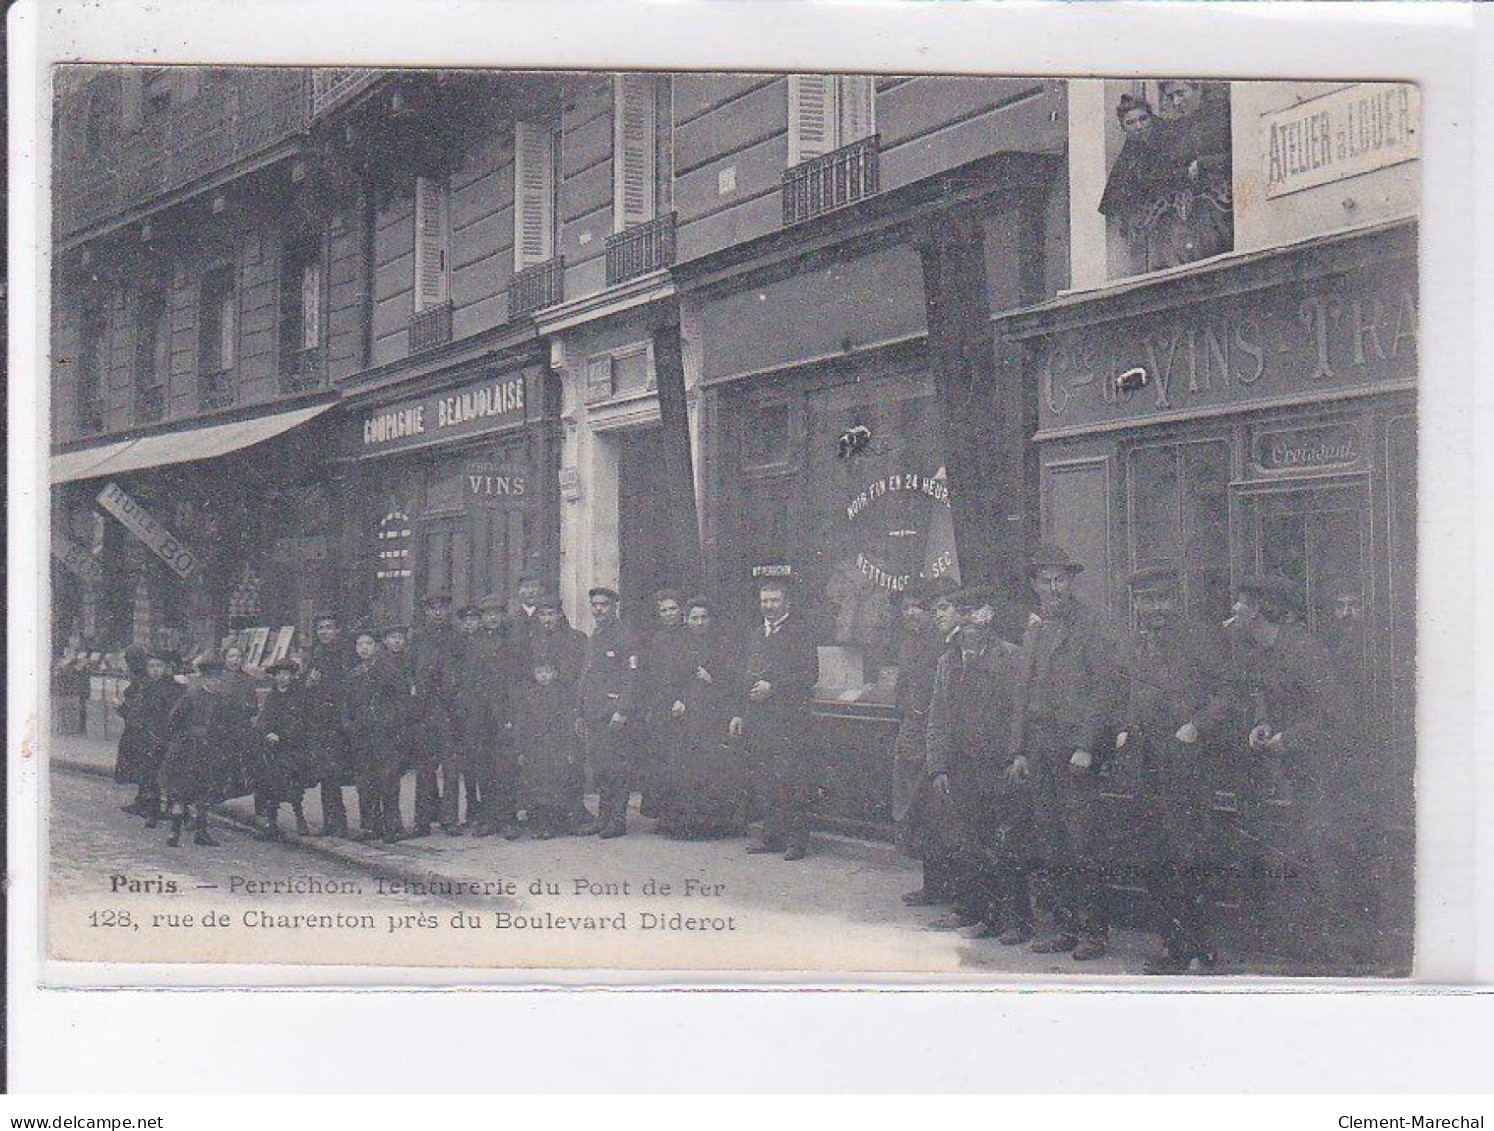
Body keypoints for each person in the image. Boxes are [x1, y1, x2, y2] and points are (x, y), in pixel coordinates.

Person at [1227, 574, 1371, 964]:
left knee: (1324, 855)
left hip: (1327, 773)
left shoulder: (1305, 650)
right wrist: (1263, 724)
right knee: (1301, 855)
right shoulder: (1262, 650)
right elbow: (1266, 697)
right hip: (1295, 773)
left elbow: (1340, 715)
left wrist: (1288, 739)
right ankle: (1309, 951)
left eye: (1239, 604)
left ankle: (1340, 956)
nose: (1234, 612)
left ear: (1258, 610)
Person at [1114, 566, 1235, 974]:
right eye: (1146, 601)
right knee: (1155, 857)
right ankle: (1173, 945)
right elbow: (1132, 691)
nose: (1154, 609)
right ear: (1135, 605)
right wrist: (1126, 728)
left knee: (1190, 857)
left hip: (1187, 765)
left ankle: (1200, 947)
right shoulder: (1134, 643)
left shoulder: (1199, 638)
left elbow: (1227, 694)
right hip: (1145, 765)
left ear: (1175, 600)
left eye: (1162, 599)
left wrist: (1195, 726)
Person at [1006, 544, 1124, 961]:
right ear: (1035, 586)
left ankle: (1093, 932)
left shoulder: (1091, 625)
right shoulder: (1035, 628)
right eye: (1045, 581)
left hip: (1075, 753)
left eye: (1061, 580)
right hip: (1040, 750)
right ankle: (1062, 927)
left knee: (1083, 842)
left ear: (1071, 583)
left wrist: (1087, 746)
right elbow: (1024, 691)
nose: (1053, 588)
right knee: (1050, 841)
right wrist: (1018, 749)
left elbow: (1104, 689)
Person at [923, 586, 1029, 941]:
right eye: (963, 625)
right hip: (962, 767)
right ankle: (980, 914)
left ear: (987, 624)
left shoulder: (1011, 657)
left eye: (975, 625)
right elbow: (938, 717)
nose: (969, 633)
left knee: (1006, 845)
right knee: (971, 842)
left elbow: (1020, 712)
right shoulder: (947, 661)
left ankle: (1014, 920)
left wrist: (1017, 754)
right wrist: (937, 766)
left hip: (999, 764)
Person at [732, 571, 818, 861]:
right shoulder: (756, 633)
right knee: (766, 779)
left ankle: (796, 841)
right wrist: (743, 708)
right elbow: (746, 672)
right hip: (759, 719)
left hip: (790, 720)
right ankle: (772, 836)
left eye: (774, 600)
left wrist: (774, 687)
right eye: (764, 600)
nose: (768, 606)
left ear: (786, 601)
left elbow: (809, 674)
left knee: (793, 780)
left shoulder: (801, 632)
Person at [890, 580, 956, 906]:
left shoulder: (945, 646)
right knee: (922, 813)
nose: (912, 614)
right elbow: (904, 687)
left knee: (943, 814)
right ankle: (933, 885)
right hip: (913, 733)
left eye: (921, 607)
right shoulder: (911, 642)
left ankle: (953, 889)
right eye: (908, 608)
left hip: (937, 736)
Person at [657, 595, 742, 839]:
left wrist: (712, 678)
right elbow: (667, 678)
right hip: (684, 715)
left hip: (713, 714)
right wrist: (674, 699)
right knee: (683, 768)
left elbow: (735, 679)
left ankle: (710, 826)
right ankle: (683, 825)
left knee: (710, 768)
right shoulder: (678, 644)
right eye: (694, 618)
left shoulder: (723, 644)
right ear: (686, 619)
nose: (699, 622)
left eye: (704, 617)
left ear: (711, 620)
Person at [159, 657, 255, 848]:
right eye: (212, 679)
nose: (216, 683)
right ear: (204, 679)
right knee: (181, 791)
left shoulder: (221, 701)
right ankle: (174, 832)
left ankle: (200, 832)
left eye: (219, 680)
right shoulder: (192, 696)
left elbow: (228, 725)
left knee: (205, 791)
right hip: (189, 750)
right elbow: (174, 719)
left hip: (209, 750)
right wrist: (184, 737)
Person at [513, 593, 587, 838]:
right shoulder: (530, 641)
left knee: (568, 763)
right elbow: (523, 674)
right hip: (538, 710)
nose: (547, 619)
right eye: (543, 614)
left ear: (560, 615)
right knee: (541, 770)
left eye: (551, 614)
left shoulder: (576, 639)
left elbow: (582, 675)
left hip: (566, 707)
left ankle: (573, 815)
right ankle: (542, 818)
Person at [578, 586, 641, 838]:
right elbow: (588, 676)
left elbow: (632, 676)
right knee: (601, 768)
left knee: (617, 768)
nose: (598, 609)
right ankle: (602, 818)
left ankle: (617, 820)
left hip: (613, 713)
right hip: (595, 711)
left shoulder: (625, 635)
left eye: (603, 605)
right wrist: (581, 710)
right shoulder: (596, 635)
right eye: (594, 605)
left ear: (614, 606)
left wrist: (622, 709)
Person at [468, 592, 521, 838]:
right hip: (480, 713)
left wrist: (512, 711)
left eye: (495, 613)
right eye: (487, 614)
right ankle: (488, 817)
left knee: (506, 766)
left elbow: (518, 679)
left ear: (502, 615)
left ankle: (508, 818)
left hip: (505, 711)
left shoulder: (513, 640)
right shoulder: (473, 641)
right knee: (483, 765)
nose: (491, 618)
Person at [303, 612, 355, 838]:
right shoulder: (316, 654)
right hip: (320, 721)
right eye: (320, 628)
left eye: (328, 627)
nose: (324, 632)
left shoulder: (345, 654)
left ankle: (340, 822)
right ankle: (330, 821)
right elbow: (306, 686)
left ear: (337, 630)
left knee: (336, 772)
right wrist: (309, 683)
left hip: (339, 721)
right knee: (326, 774)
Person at [641, 587, 690, 823]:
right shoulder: (656, 639)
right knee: (660, 761)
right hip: (660, 704)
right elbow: (649, 674)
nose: (669, 614)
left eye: (672, 609)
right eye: (663, 610)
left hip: (683, 705)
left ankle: (680, 817)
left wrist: (684, 698)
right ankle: (664, 816)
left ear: (681, 610)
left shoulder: (691, 635)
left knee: (680, 762)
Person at [411, 592, 457, 836]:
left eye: (442, 608)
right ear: (426, 611)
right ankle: (423, 819)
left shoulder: (456, 637)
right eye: (433, 608)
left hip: (449, 710)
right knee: (424, 767)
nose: (437, 612)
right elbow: (410, 671)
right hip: (424, 710)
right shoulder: (418, 638)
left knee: (450, 767)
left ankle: (449, 819)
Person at [253, 659, 314, 839]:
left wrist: (283, 737)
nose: (282, 677)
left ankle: (300, 819)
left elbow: (301, 722)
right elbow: (264, 718)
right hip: (272, 748)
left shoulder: (299, 696)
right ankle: (271, 822)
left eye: (286, 674)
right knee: (269, 784)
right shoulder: (272, 696)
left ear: (292, 676)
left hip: (293, 748)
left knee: (294, 787)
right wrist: (267, 732)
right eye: (279, 674)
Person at [123, 650, 185, 828]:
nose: (155, 670)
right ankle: (152, 810)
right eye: (151, 666)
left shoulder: (176, 688)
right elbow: (137, 714)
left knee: (171, 775)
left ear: (166, 668)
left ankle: (177, 811)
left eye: (159, 666)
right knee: (150, 776)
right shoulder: (145, 688)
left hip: (169, 737)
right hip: (149, 738)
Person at [443, 605, 488, 836]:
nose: (470, 623)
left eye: (474, 619)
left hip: (483, 711)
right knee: (466, 765)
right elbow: (450, 676)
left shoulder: (486, 642)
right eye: (466, 620)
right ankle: (471, 809)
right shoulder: (456, 644)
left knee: (482, 764)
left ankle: (483, 812)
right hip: (460, 711)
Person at [112, 645, 154, 814]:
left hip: (139, 732)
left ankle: (145, 802)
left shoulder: (140, 683)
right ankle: (143, 799)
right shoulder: (141, 680)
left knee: (141, 765)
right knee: (141, 765)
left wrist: (121, 707)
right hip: (139, 731)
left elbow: (137, 713)